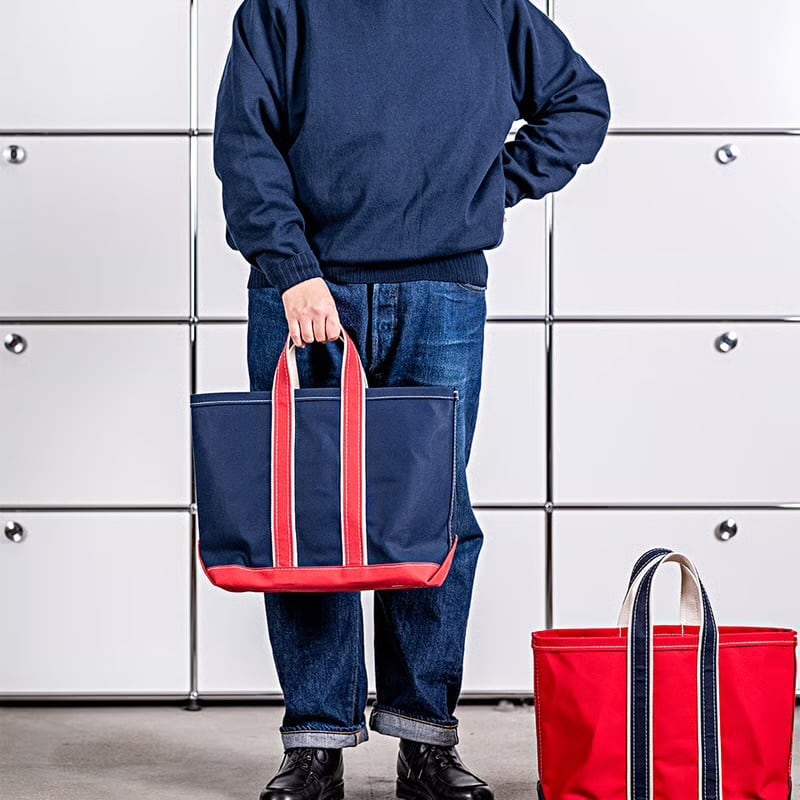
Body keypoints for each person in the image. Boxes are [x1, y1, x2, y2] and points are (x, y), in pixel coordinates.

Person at [213, 0, 610, 798]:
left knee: (433, 519)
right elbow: (245, 144)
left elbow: (580, 102)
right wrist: (292, 270)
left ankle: (425, 739)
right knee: (307, 518)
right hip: (308, 294)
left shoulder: (489, 7)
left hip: (442, 293)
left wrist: (487, 190)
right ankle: (315, 742)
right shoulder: (281, 8)